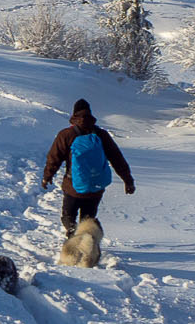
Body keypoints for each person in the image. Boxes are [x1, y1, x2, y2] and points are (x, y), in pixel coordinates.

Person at [41, 98, 134, 234]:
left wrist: (47, 176)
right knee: (88, 220)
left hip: (73, 186)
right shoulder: (101, 134)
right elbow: (117, 158)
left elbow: (54, 158)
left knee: (68, 217)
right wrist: (128, 180)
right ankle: (86, 244)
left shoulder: (66, 134)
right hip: (95, 186)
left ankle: (72, 239)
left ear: (74, 115)